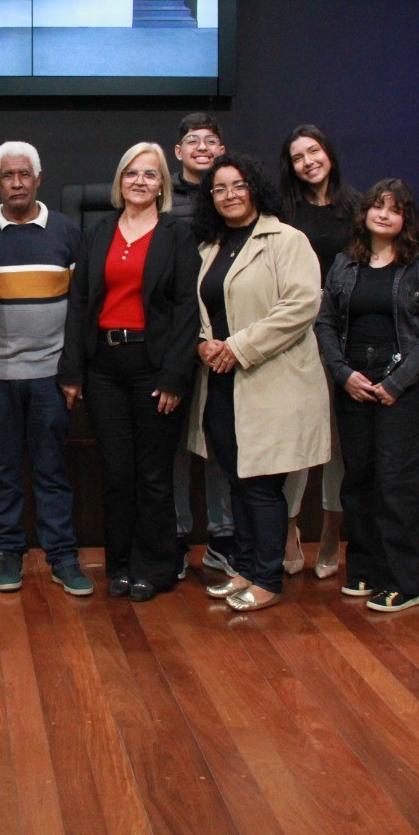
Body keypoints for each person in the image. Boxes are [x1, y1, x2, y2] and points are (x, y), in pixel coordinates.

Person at [184, 154, 331, 613]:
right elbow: (201, 311)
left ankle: (267, 578)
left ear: (256, 189)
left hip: (272, 381)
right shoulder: (210, 247)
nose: (230, 195)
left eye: (238, 185)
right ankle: (244, 569)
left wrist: (238, 346)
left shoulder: (287, 240)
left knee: (263, 485)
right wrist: (205, 344)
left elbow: (301, 306)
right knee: (236, 480)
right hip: (222, 384)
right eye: (220, 188)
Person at [59, 142, 198, 602]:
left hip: (153, 368)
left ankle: (154, 566)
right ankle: (119, 565)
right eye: (132, 173)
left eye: (151, 175)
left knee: (153, 474)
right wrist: (73, 371)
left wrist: (175, 376)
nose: (140, 181)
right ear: (120, 181)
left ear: (164, 185)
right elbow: (79, 304)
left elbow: (185, 312)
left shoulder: (176, 236)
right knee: (116, 473)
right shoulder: (97, 232)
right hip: (103, 368)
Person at [315, 180, 419, 611]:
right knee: (358, 481)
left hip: (403, 388)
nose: (384, 214)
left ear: (406, 218)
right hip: (354, 383)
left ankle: (404, 582)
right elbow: (326, 325)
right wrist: (342, 373)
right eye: (377, 206)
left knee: (395, 485)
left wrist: (396, 383)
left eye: (395, 209)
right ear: (365, 213)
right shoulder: (344, 263)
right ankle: (365, 570)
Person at [0, 142, 91, 596]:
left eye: (25, 174)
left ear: (38, 179)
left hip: (50, 377)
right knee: (3, 469)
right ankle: (8, 553)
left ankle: (62, 557)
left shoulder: (65, 231)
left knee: (51, 469)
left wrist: (72, 372)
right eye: (9, 176)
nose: (18, 183)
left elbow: (81, 308)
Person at [277, 124, 362, 577]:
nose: (308, 162)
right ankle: (289, 528)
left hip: (348, 336)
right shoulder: (283, 210)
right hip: (297, 336)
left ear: (329, 153)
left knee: (337, 443)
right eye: (298, 157)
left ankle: (331, 531)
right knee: (299, 436)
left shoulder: (358, 207)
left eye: (314, 151)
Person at [166, 113, 236, 575]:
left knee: (218, 440)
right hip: (173, 333)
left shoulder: (233, 198)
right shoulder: (162, 197)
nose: (203, 148)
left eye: (211, 141)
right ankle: (174, 535)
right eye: (193, 141)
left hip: (223, 337)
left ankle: (223, 535)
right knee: (171, 440)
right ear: (179, 152)